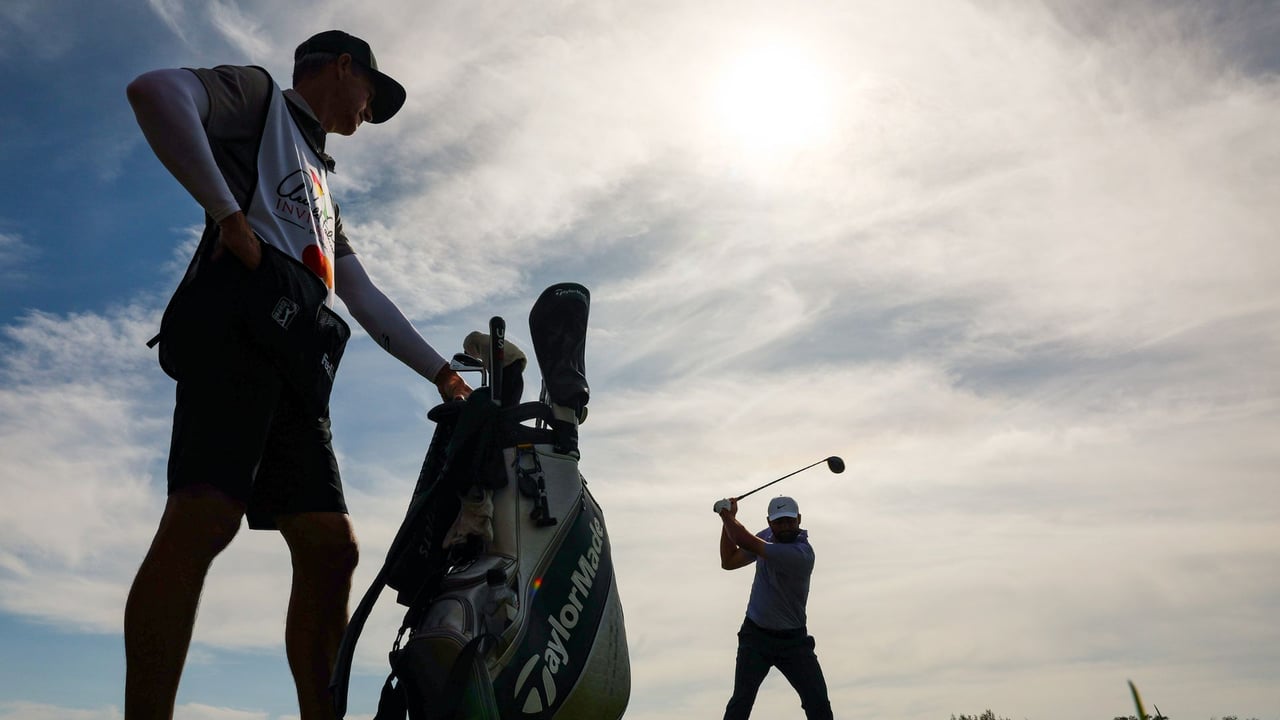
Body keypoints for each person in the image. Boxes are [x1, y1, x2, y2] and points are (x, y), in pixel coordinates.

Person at [122, 30, 470, 720]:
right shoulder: (258, 99)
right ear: (342, 67)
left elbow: (361, 296)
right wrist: (227, 215)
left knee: (329, 545)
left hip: (298, 362)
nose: (370, 109)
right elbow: (155, 91)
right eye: (372, 89)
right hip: (238, 336)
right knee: (203, 517)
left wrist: (442, 375)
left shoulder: (321, 186)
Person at [717, 495, 834, 720]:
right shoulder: (767, 537)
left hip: (794, 642)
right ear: (770, 522)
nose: (785, 526)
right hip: (756, 636)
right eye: (779, 522)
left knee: (818, 705)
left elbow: (745, 540)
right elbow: (729, 561)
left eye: (790, 521)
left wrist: (726, 515)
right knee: (740, 704)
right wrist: (728, 521)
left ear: (799, 519)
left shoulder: (801, 554)